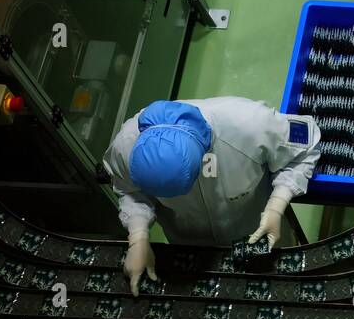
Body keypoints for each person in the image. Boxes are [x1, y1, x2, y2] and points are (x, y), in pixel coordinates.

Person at [102, 97, 321, 295]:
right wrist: (138, 235)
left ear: (204, 157)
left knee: (282, 282)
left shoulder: (250, 124)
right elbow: (130, 191)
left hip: (257, 228)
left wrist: (277, 204)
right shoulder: (126, 146)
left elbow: (305, 147)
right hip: (190, 243)